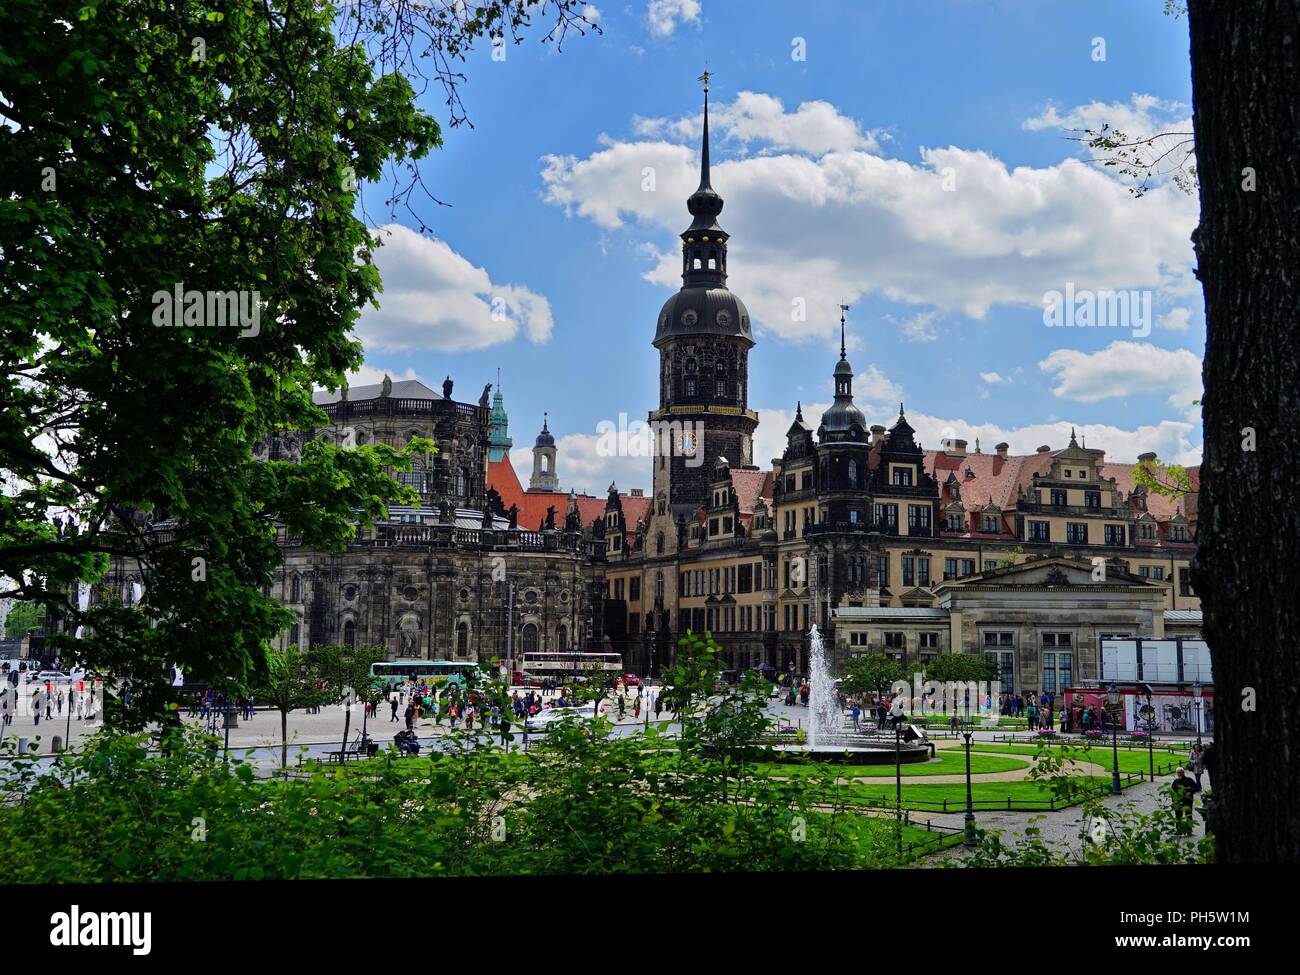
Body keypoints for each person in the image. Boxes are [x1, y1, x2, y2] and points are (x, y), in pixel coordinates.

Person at [1171, 766, 1198, 833]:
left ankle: (1189, 829)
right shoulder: (1175, 782)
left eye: (1181, 772)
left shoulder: (1189, 780)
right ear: (1177, 773)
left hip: (1188, 801)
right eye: (1178, 772)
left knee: (1188, 815)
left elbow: (1196, 788)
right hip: (1179, 801)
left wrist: (1191, 792)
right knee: (1178, 816)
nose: (1179, 774)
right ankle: (1179, 829)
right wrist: (1174, 801)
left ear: (1183, 772)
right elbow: (1172, 792)